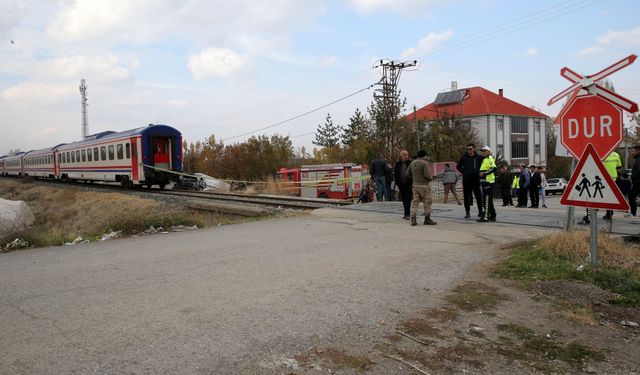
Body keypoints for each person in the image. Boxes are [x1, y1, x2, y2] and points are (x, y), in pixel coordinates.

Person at [579, 150, 622, 224]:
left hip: (601, 178)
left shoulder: (601, 153)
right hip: (613, 179)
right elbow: (619, 166)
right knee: (609, 198)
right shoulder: (616, 154)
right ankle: (609, 213)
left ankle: (589, 216)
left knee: (591, 197)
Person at [406, 149, 436, 226]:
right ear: (424, 156)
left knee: (415, 202)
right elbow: (427, 175)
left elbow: (407, 173)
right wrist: (431, 178)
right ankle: (427, 219)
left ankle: (413, 219)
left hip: (415, 185)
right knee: (427, 202)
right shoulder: (424, 163)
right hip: (424, 185)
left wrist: (414, 178)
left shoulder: (412, 163)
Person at [457, 143, 483, 219]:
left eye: (470, 149)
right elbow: (458, 166)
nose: (468, 150)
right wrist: (464, 172)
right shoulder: (463, 158)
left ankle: (480, 212)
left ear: (474, 149)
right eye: (467, 149)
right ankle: (467, 212)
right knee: (466, 197)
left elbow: (483, 166)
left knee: (478, 196)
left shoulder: (479, 157)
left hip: (475, 179)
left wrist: (480, 172)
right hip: (467, 179)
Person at [477, 146, 497, 222]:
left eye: (485, 151)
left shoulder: (489, 158)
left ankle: (485, 217)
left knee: (486, 200)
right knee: (488, 200)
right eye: (482, 151)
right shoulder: (484, 159)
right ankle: (493, 215)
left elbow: (494, 168)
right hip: (485, 182)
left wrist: (484, 173)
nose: (483, 152)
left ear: (489, 152)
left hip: (488, 182)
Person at [394, 150, 413, 220]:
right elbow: (396, 174)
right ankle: (406, 214)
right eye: (404, 155)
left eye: (407, 154)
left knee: (408, 199)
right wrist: (397, 183)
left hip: (409, 185)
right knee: (404, 200)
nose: (406, 156)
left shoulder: (411, 163)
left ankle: (408, 214)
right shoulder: (398, 164)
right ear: (401, 156)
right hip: (401, 185)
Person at [625, 146, 640, 218]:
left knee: (631, 196)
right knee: (632, 196)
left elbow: (639, 171)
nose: (631, 153)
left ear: (638, 151)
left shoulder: (639, 159)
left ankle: (633, 213)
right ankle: (633, 213)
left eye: (633, 151)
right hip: (637, 182)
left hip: (638, 182)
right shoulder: (638, 159)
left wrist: (632, 176)